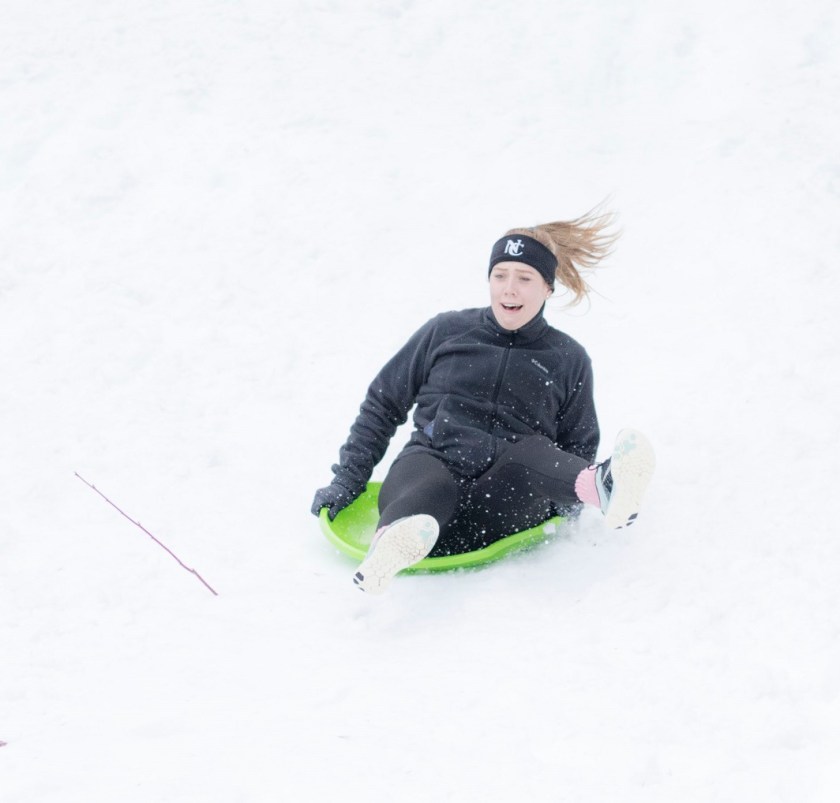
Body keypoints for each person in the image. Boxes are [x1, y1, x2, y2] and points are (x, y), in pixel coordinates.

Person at [311, 209, 655, 594]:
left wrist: (558, 504)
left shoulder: (567, 357)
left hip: (501, 503)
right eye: (500, 276)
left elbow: (577, 442)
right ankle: (393, 544)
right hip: (428, 474)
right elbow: (383, 404)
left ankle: (606, 486)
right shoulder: (446, 331)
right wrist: (347, 481)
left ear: (547, 289)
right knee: (428, 481)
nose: (509, 289)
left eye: (524, 279)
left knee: (532, 452)